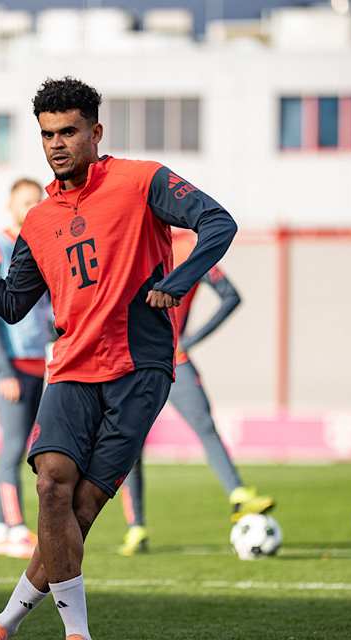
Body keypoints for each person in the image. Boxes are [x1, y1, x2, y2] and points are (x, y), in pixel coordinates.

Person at [0, 76, 237, 640]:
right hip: (70, 367)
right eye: (47, 134)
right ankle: (74, 634)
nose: (56, 143)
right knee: (51, 484)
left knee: (83, 508)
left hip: (139, 368)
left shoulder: (142, 180)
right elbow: (10, 303)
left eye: (69, 131)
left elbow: (219, 223)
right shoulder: (40, 220)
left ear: (95, 132)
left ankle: (7, 621)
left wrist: (178, 280)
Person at [117, 229, 274, 556]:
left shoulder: (184, 246)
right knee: (132, 445)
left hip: (169, 358)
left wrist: (190, 340)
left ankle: (238, 494)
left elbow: (231, 296)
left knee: (203, 426)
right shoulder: (135, 240)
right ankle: (137, 527)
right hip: (135, 360)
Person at [0, 178, 54, 559]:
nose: (32, 207)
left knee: (21, 445)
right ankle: (16, 526)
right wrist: (4, 370)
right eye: (25, 201)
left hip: (37, 360)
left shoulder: (40, 244)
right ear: (10, 204)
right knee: (12, 447)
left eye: (37, 201)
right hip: (10, 363)